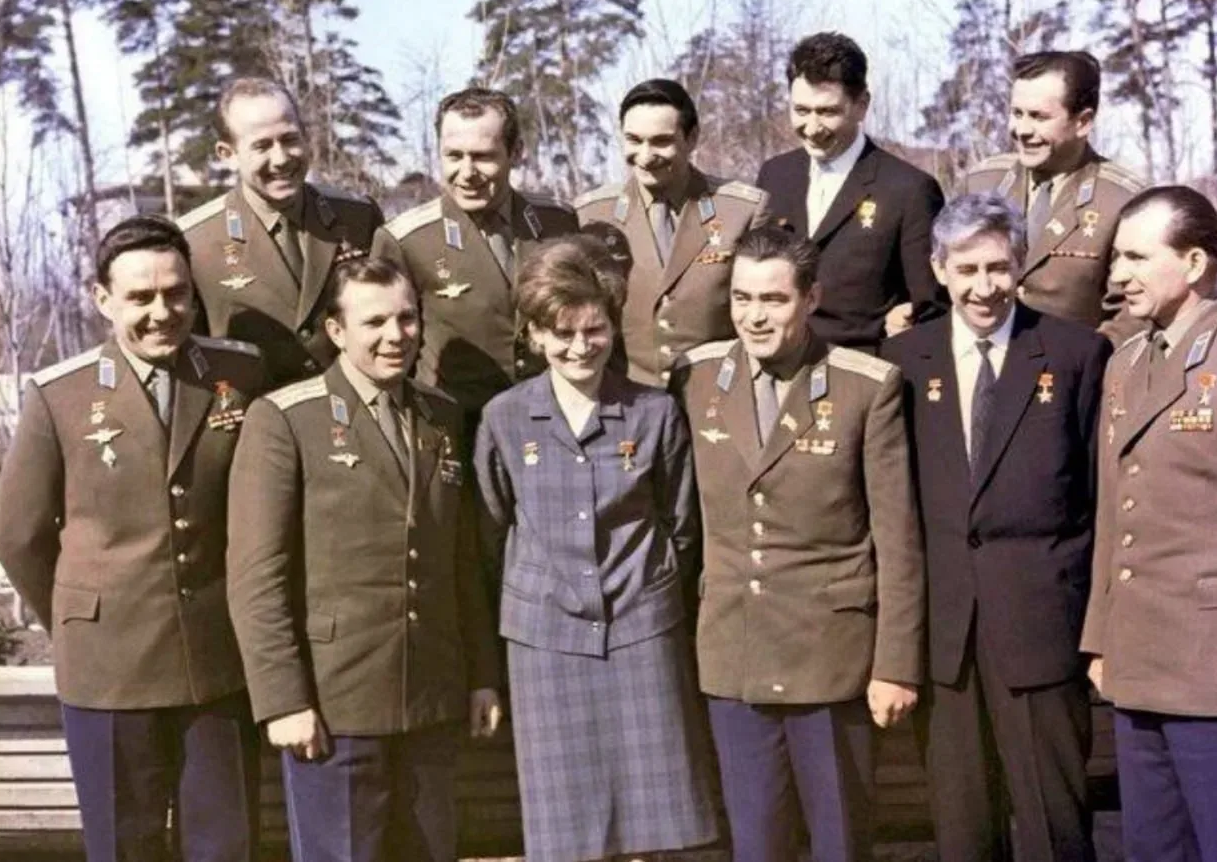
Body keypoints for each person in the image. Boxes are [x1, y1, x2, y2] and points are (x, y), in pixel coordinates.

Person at [0, 215, 266, 862]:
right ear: (102, 299)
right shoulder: (60, 395)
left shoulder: (238, 373)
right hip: (108, 668)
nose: (161, 313)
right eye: (140, 297)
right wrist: (80, 620)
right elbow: (18, 536)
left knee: (226, 846)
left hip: (216, 661)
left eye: (176, 293)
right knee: (125, 845)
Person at [226, 256, 500, 862]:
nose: (395, 336)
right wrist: (283, 700)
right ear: (336, 330)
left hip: (431, 695)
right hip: (335, 702)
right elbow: (257, 577)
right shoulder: (285, 419)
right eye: (374, 322)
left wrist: (481, 674)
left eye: (407, 319)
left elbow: (460, 563)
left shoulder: (440, 414)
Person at [673, 224, 924, 862]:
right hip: (736, 654)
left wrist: (895, 664)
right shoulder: (695, 377)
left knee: (841, 842)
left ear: (811, 298)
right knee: (755, 844)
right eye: (742, 298)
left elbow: (897, 540)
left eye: (773, 299)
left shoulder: (865, 386)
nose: (754, 316)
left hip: (830, 657)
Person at [474, 235, 718, 862]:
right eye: (562, 333)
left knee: (657, 829)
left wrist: (648, 589)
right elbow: (493, 533)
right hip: (545, 643)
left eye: (595, 329)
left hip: (642, 633)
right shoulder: (504, 418)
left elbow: (682, 524)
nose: (580, 346)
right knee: (568, 833)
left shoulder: (654, 413)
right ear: (534, 335)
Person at [882, 194, 1109, 862]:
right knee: (962, 832)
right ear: (938, 269)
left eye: (998, 267)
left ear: (1021, 264)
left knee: (1055, 830)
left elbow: (1100, 499)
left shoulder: (1075, 354)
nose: (984, 287)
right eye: (967, 269)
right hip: (946, 639)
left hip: (1041, 630)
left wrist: (1098, 631)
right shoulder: (902, 360)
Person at [1081, 185, 1217, 862]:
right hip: (1138, 661)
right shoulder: (1125, 365)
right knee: (1152, 847)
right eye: (1115, 257)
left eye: (1136, 258)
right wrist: (1100, 639)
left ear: (1193, 263)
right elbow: (1113, 509)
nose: (1117, 275)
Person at [372, 87, 578, 415]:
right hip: (458, 425)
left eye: (483, 156)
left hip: (554, 418)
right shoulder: (405, 241)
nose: (467, 173)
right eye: (454, 156)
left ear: (516, 152)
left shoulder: (558, 221)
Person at [179, 77, 384, 389]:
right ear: (227, 153)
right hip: (258, 414)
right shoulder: (194, 243)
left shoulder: (357, 216)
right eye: (262, 146)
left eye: (290, 139)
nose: (281, 158)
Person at [756, 31, 945, 351]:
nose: (812, 128)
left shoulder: (910, 190)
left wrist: (903, 327)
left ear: (862, 105)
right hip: (779, 364)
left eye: (828, 112)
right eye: (801, 111)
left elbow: (931, 310)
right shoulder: (774, 175)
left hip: (864, 370)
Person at [575, 78, 768, 385]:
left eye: (661, 141)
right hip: (626, 398)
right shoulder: (590, 215)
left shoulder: (742, 211)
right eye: (634, 140)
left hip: (717, 394)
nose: (645, 156)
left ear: (692, 138)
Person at [963, 51, 1146, 345]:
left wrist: (1083, 364)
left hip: (1073, 368)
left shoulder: (1123, 201)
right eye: (1017, 113)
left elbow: (1131, 314)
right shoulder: (981, 183)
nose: (1022, 130)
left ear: (1083, 122)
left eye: (1038, 117)